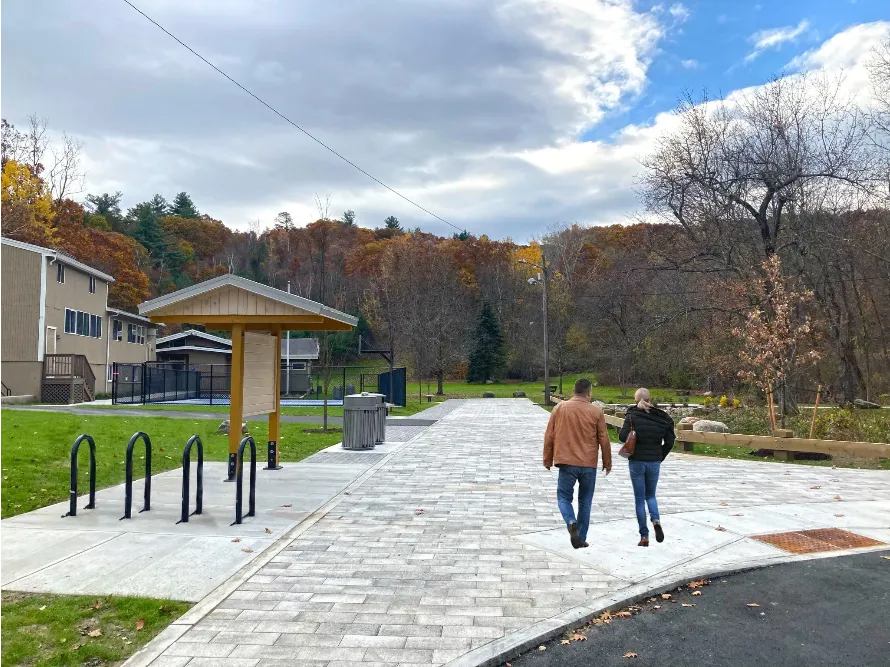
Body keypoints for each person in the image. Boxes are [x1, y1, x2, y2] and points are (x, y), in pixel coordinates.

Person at [543, 378, 611, 549]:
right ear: (589, 393)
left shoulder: (560, 408)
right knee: (585, 502)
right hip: (589, 464)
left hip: (566, 462)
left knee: (564, 498)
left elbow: (549, 435)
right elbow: (604, 438)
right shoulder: (596, 411)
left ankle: (571, 521)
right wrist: (607, 461)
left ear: (574, 391)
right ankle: (581, 537)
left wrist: (547, 458)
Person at [619, 388, 675, 547]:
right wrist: (660, 456)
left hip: (636, 461)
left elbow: (622, 437)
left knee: (639, 500)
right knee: (651, 495)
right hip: (654, 462)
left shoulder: (632, 416)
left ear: (635, 401)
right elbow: (670, 441)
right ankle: (656, 520)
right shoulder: (662, 418)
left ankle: (644, 535)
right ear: (650, 399)